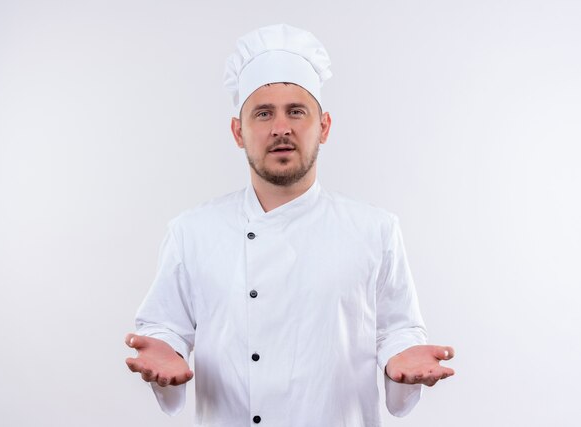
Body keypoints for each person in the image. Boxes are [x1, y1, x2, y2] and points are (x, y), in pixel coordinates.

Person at [125, 23, 455, 426]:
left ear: (325, 126)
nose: (281, 127)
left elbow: (398, 334)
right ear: (238, 132)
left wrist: (401, 358)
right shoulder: (191, 232)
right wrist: (166, 350)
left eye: (296, 111)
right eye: (263, 113)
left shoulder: (375, 230)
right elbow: (165, 330)